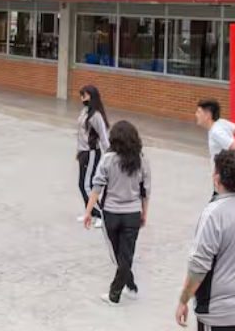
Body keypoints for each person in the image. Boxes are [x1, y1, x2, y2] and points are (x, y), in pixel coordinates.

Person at [176, 148, 235, 330]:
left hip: (221, 314)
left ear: (217, 178)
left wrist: (183, 300)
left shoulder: (213, 214)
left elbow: (198, 266)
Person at [84, 120, 151, 305]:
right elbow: (146, 190)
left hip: (111, 213)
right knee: (125, 255)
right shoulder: (141, 160)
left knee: (118, 255)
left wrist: (88, 212)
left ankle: (115, 294)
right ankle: (130, 285)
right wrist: (144, 213)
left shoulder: (108, 159)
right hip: (132, 213)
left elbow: (97, 187)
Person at [76, 84, 110, 227]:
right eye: (81, 95)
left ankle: (100, 214)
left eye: (84, 95)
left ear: (91, 96)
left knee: (87, 185)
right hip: (83, 152)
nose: (82, 97)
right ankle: (89, 213)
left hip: (91, 153)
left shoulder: (96, 116)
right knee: (82, 184)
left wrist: (110, 156)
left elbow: (103, 137)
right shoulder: (85, 111)